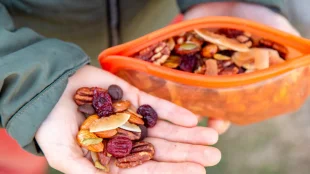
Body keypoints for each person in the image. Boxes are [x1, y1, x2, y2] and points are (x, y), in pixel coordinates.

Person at [0, 0, 300, 173]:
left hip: (146, 42)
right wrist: (26, 81)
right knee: (17, 143)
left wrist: (234, 2)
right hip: (19, 70)